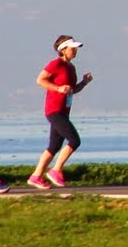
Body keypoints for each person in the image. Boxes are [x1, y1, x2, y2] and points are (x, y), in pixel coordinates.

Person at [28, 35, 92, 192]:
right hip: (54, 110)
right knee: (74, 140)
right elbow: (40, 80)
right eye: (72, 48)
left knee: (54, 146)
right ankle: (55, 170)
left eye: (76, 48)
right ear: (63, 49)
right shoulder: (55, 64)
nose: (75, 50)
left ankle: (35, 176)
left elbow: (71, 90)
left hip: (64, 111)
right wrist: (58, 88)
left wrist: (83, 83)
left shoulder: (71, 68)